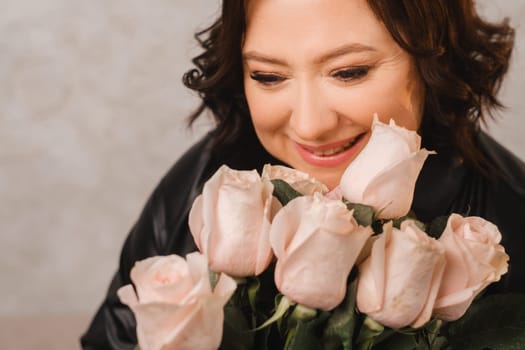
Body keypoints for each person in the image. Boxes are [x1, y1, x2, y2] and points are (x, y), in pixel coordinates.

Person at [81, 0, 525, 348]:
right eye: (268, 76)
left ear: (434, 58)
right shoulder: (208, 180)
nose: (310, 126)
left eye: (349, 72)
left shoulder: (508, 216)